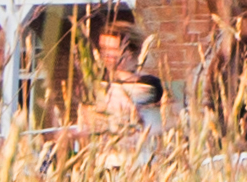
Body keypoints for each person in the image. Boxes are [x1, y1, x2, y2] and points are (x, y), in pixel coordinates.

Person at [50, 19, 166, 166]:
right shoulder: (98, 85)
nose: (106, 55)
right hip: (103, 163)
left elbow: (134, 122)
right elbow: (92, 126)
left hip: (138, 164)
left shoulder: (148, 86)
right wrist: (73, 134)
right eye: (103, 49)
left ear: (129, 52)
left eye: (112, 50)